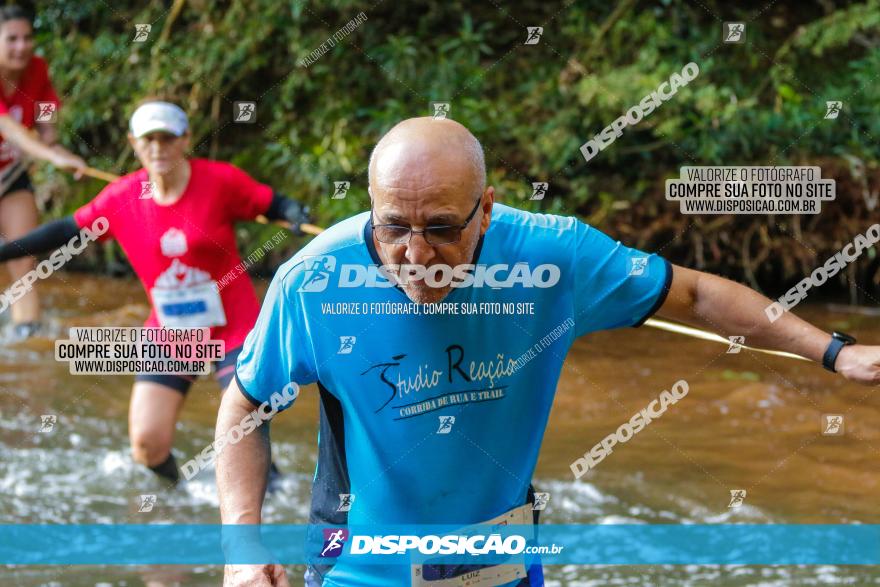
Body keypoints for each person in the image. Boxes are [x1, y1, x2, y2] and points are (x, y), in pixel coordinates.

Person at [216, 117, 880, 587]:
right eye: (394, 226)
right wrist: (242, 551)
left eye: (443, 229)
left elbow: (700, 295)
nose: (415, 256)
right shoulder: (315, 281)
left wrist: (834, 352)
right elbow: (245, 402)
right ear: (371, 206)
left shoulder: (551, 257)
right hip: (359, 569)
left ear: (487, 209)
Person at [0, 99, 311, 485]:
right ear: (134, 143)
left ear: (186, 139)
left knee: (243, 425)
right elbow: (63, 232)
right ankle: (183, 495)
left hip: (233, 326)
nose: (158, 148)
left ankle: (272, 490)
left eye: (167, 138)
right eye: (149, 139)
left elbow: (273, 202)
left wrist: (295, 212)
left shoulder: (219, 181)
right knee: (147, 445)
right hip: (171, 331)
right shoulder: (121, 198)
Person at [0, 4, 87, 337]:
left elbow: (46, 125)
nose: (21, 46)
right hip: (14, 154)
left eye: (27, 38)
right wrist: (52, 158)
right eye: (11, 39)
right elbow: (11, 129)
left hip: (10, 177)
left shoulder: (37, 70)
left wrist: (60, 151)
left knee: (24, 258)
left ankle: (27, 335)